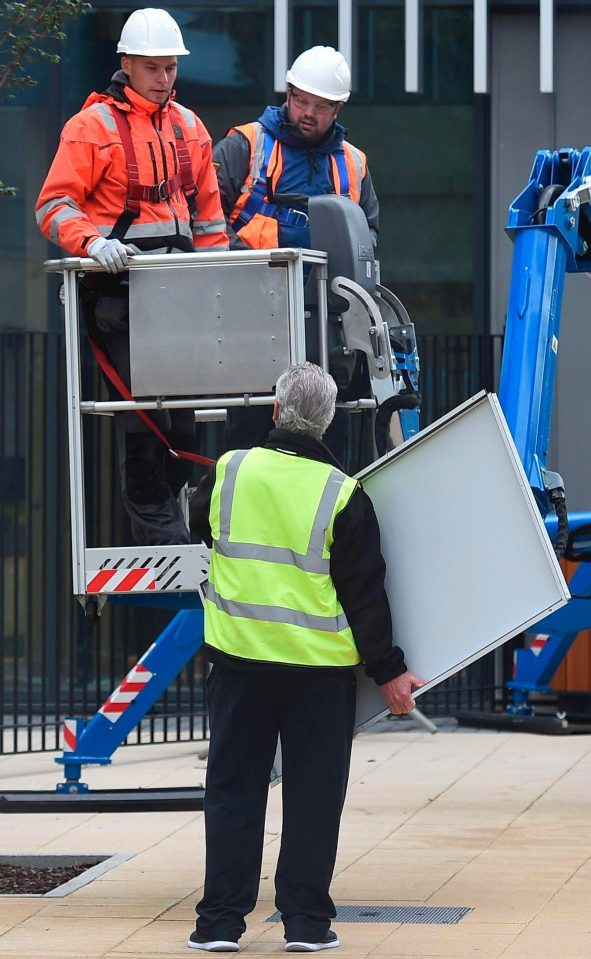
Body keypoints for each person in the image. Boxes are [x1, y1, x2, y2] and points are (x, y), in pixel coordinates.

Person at [188, 362, 424, 953]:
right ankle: (306, 925)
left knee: (233, 792)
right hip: (318, 677)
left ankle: (220, 924)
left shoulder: (229, 471)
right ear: (325, 424)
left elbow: (202, 526)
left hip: (238, 665)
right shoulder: (343, 494)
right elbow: (365, 595)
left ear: (274, 411)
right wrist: (390, 673)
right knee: (314, 797)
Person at [35, 8, 228, 546]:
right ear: (126, 65)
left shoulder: (190, 128)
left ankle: (173, 517)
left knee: (183, 426)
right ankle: (158, 530)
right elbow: (53, 205)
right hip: (119, 294)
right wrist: (94, 243)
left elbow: (209, 220)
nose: (164, 78)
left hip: (181, 296)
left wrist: (219, 284)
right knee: (145, 422)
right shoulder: (90, 128)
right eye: (153, 68)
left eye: (171, 68)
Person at [213, 46, 379, 463]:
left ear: (338, 109)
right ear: (287, 93)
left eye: (321, 106)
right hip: (252, 315)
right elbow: (207, 223)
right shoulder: (244, 146)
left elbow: (367, 237)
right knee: (250, 434)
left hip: (325, 327)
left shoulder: (354, 164)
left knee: (324, 442)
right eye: (301, 100)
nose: (308, 112)